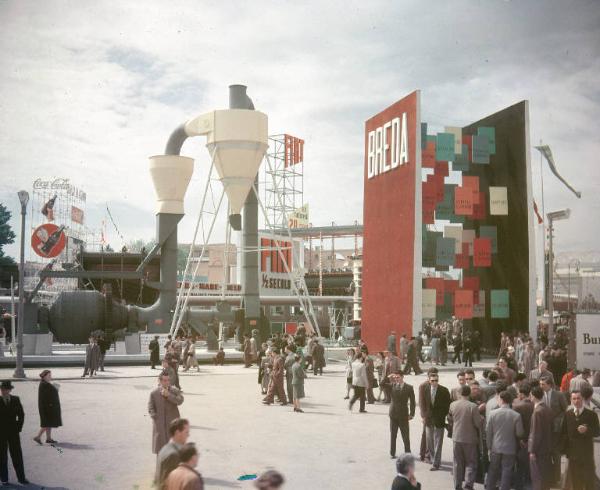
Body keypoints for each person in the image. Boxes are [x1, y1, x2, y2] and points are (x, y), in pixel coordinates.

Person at [562, 390, 600, 490]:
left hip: (586, 455)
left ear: (582, 399)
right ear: (571, 400)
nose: (576, 401)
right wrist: (565, 451)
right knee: (575, 483)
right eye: (574, 398)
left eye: (578, 398)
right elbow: (564, 433)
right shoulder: (568, 414)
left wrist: (587, 430)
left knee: (589, 482)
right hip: (573, 455)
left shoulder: (591, 415)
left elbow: (597, 432)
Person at [486, 391, 524, 490]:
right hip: (510, 448)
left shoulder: (492, 414)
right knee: (507, 471)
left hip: (495, 447)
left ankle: (489, 487)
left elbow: (488, 432)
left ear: (501, 400)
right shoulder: (516, 415)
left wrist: (489, 447)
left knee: (493, 470)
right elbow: (519, 433)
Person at [448, 385, 481, 490]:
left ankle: (457, 486)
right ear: (469, 394)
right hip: (470, 438)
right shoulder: (473, 406)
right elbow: (477, 423)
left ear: (459, 393)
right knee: (471, 462)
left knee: (457, 462)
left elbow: (450, 419)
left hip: (456, 437)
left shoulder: (453, 405)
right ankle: (468, 485)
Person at [148, 371, 185, 454]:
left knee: (174, 449)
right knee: (160, 449)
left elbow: (180, 401)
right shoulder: (154, 393)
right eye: (164, 380)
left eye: (168, 380)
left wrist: (169, 396)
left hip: (172, 423)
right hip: (160, 425)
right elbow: (150, 407)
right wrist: (155, 417)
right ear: (160, 381)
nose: (167, 382)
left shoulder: (175, 391)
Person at [539, 376, 567, 484]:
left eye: (543, 384)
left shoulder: (559, 395)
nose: (541, 386)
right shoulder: (539, 394)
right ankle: (547, 478)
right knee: (545, 454)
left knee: (556, 454)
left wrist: (559, 422)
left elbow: (565, 410)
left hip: (556, 429)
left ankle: (556, 478)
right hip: (543, 429)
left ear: (550, 385)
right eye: (540, 384)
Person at [421, 371, 450, 471]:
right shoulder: (425, 389)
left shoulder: (444, 390)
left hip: (439, 419)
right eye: (432, 381)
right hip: (429, 420)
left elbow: (447, 405)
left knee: (438, 442)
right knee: (430, 442)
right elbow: (422, 404)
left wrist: (442, 415)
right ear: (429, 381)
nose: (434, 383)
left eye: (436, 381)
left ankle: (436, 463)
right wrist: (424, 416)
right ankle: (433, 459)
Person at [0, 380, 28, 485]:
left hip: (13, 432)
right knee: (2, 456)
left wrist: (18, 428)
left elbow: (21, 415)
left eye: (6, 389)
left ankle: (21, 478)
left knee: (17, 455)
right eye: (2, 389)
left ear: (10, 390)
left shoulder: (16, 399)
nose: (3, 391)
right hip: (1, 433)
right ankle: (4, 479)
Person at [528, 385, 553, 490]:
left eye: (530, 395)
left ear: (533, 396)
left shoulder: (537, 412)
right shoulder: (547, 408)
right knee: (545, 476)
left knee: (537, 476)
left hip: (538, 450)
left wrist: (532, 450)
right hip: (547, 447)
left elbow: (535, 433)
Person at [155, 418, 190, 489]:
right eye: (186, 432)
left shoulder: (166, 447)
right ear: (177, 433)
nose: (188, 435)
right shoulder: (173, 455)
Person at [512, 383, 534, 490]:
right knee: (530, 462)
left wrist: (520, 438)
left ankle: (518, 485)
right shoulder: (535, 405)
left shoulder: (517, 407)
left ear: (521, 394)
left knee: (520, 464)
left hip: (521, 439)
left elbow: (516, 425)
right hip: (532, 437)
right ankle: (529, 481)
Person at [389, 372, 415, 458]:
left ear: (402, 377)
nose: (396, 379)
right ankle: (392, 453)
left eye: (398, 377)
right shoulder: (391, 386)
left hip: (404, 415)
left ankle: (407, 452)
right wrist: (389, 376)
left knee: (405, 435)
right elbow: (381, 384)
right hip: (393, 415)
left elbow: (412, 402)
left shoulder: (409, 387)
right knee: (393, 435)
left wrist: (411, 414)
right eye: (395, 377)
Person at [33, 369, 61, 445]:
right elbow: (48, 396)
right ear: (44, 376)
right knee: (46, 423)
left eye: (50, 375)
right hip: (46, 408)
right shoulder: (44, 384)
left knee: (49, 423)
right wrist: (55, 389)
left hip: (48, 407)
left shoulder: (45, 383)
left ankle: (48, 438)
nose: (50, 377)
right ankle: (38, 437)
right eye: (49, 376)